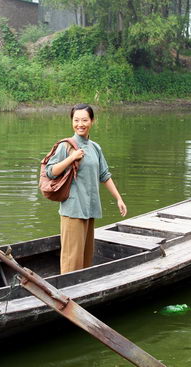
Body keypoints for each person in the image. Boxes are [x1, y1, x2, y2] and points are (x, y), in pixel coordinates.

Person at [45, 104, 127, 274]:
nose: (80, 124)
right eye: (76, 120)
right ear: (71, 122)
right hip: (73, 210)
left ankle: (83, 291)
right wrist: (71, 158)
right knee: (71, 259)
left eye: (84, 120)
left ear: (92, 121)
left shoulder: (95, 147)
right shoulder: (66, 146)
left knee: (85, 257)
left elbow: (104, 175)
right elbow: (50, 172)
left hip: (89, 209)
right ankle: (67, 293)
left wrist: (119, 198)